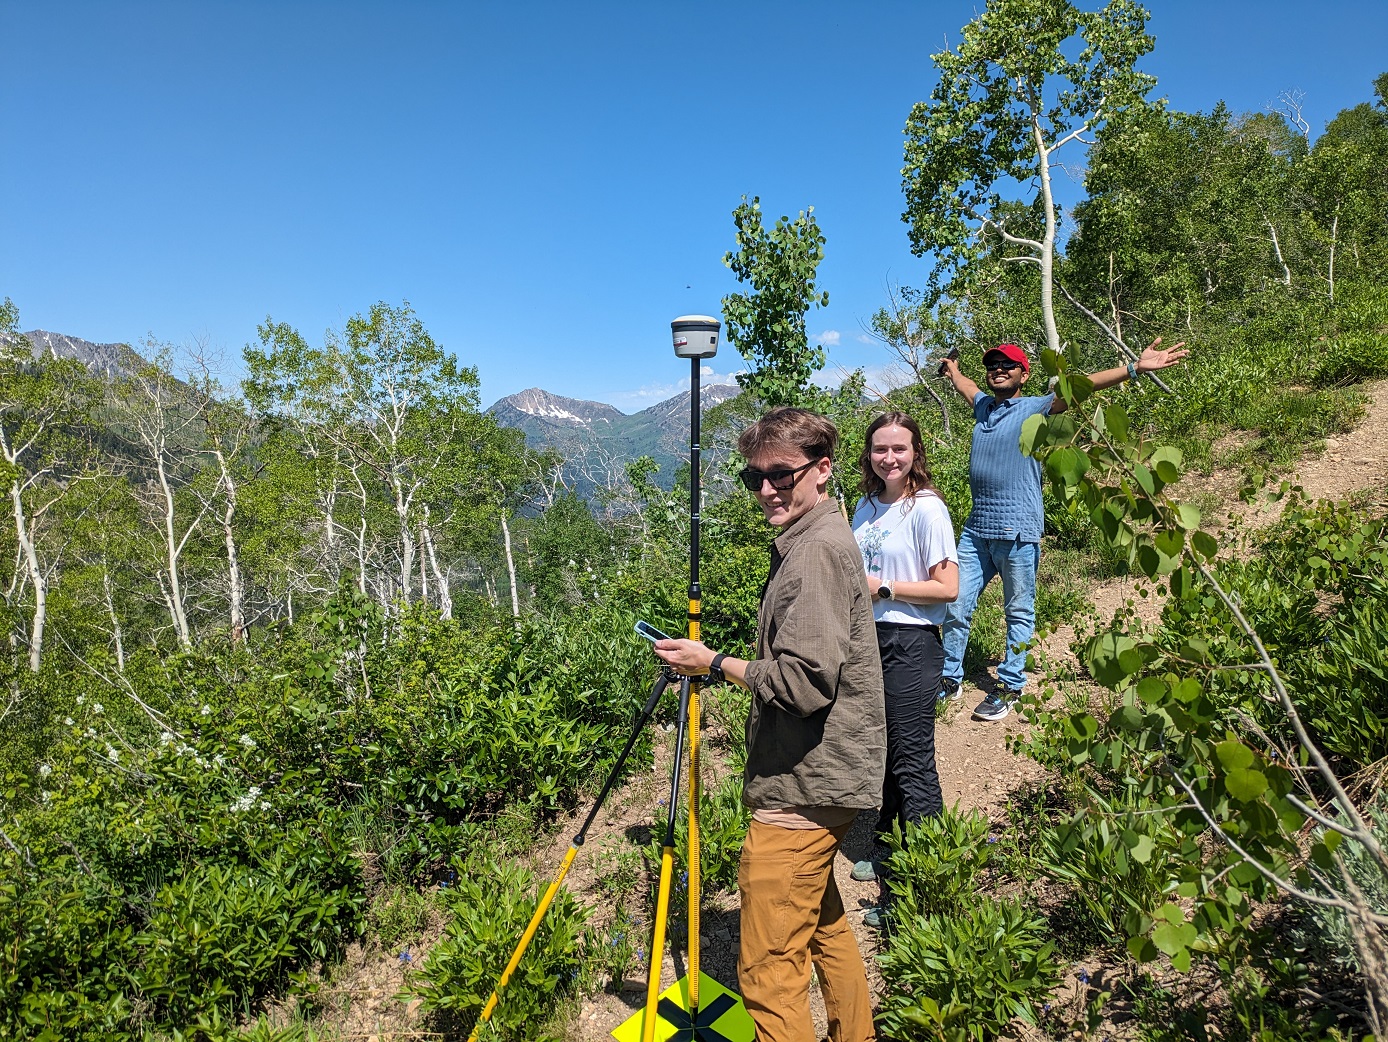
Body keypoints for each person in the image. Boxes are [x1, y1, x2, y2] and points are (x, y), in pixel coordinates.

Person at [653, 406, 885, 1042]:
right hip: (827, 780)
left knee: (767, 970)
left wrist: (715, 663)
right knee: (822, 927)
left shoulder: (814, 554)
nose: (766, 489)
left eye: (782, 474)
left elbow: (806, 683)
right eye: (755, 476)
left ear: (823, 470)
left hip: (803, 788)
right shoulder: (820, 541)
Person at [939, 338, 1189, 722]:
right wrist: (953, 370)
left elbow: (1080, 384)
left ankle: (1010, 684)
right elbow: (967, 387)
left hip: (1018, 531)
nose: (999, 370)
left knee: (1018, 611)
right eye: (993, 365)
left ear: (1024, 374)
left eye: (1008, 365)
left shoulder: (1034, 407)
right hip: (975, 531)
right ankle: (949, 678)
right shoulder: (984, 408)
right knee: (955, 604)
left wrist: (1135, 368)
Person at [849, 412, 958, 901]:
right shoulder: (865, 505)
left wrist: (885, 588)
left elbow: (947, 588)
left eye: (899, 448)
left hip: (911, 642)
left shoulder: (927, 509)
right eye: (879, 449)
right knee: (886, 752)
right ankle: (891, 845)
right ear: (868, 454)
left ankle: (918, 887)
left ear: (916, 453)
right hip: (869, 640)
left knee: (912, 760)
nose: (888, 457)